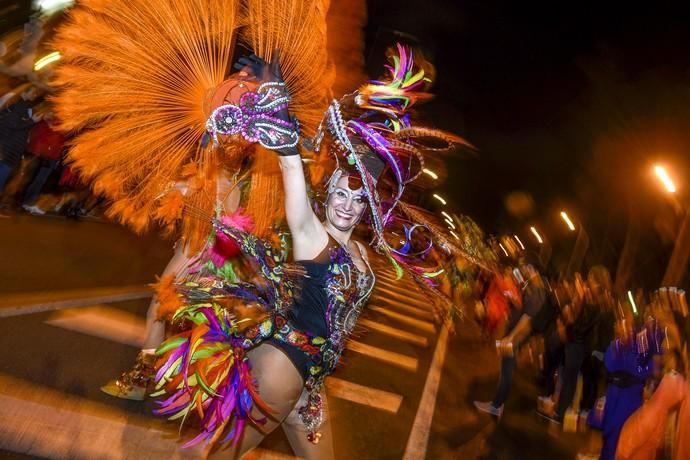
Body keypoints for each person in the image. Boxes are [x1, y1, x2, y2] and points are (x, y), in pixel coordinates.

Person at [474, 255, 546, 417]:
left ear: (531, 269)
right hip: (514, 334)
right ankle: (497, 404)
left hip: (516, 336)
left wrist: (510, 337)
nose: (522, 271)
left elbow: (527, 319)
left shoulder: (538, 291)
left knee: (507, 370)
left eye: (524, 267)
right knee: (506, 369)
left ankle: (496, 405)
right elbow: (522, 308)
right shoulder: (533, 286)